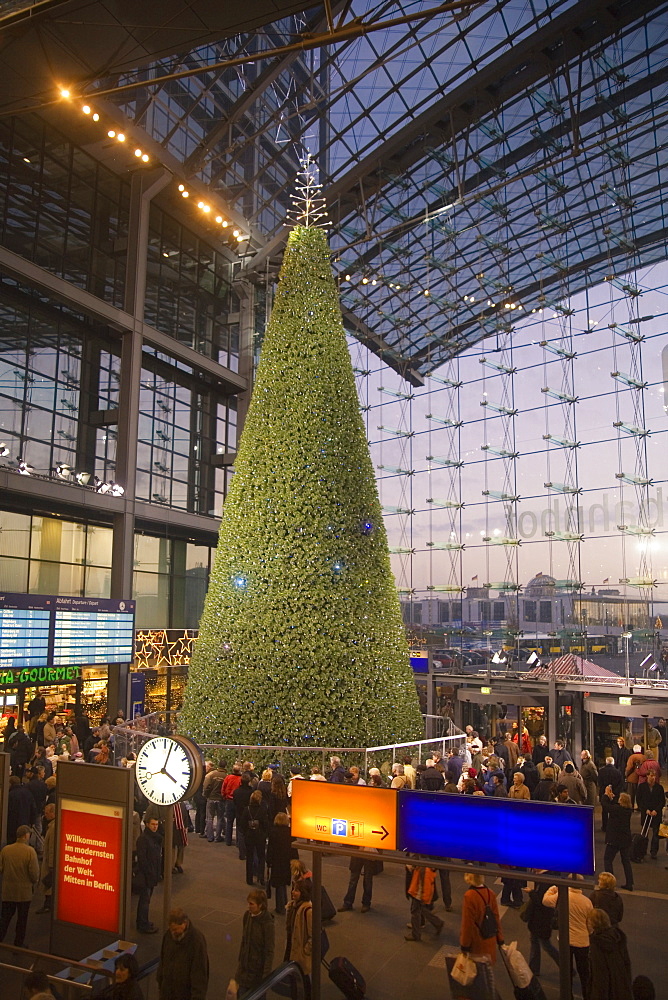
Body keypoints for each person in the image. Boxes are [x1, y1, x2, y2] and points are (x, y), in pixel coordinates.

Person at [543, 877, 592, 1000]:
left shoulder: (562, 896)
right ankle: (587, 995)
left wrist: (553, 888)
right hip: (582, 941)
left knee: (566, 971)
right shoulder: (587, 902)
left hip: (566, 940)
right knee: (584, 972)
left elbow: (545, 900)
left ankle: (567, 995)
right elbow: (590, 924)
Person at [0, 825, 40, 947]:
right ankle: (18, 944)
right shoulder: (30, 852)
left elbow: (1, 868)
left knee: (4, 919)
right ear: (26, 836)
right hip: (24, 893)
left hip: (8, 891)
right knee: (22, 920)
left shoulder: (6, 850)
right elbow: (34, 874)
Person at [157, 908, 209, 1000]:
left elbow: (199, 972)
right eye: (171, 929)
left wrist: (197, 996)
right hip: (167, 993)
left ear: (184, 924)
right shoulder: (168, 936)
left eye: (175, 929)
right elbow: (163, 960)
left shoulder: (197, 941)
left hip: (185, 994)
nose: (173, 932)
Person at [587, 907, 633, 1000]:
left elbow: (600, 975)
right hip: (621, 985)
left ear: (593, 924)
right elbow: (627, 963)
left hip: (609, 991)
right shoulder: (618, 937)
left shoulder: (597, 944)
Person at [235, 889, 275, 997]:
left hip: (257, 974)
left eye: (251, 904)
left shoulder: (267, 924)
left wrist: (266, 976)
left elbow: (269, 951)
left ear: (261, 905)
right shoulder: (247, 916)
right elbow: (244, 942)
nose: (248, 906)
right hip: (245, 970)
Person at [460, 872, 503, 964]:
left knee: (477, 973)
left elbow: (467, 924)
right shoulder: (490, 893)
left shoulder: (469, 896)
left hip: (477, 941)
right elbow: (496, 916)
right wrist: (500, 939)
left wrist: (465, 945)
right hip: (490, 938)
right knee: (488, 971)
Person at [284, 880, 313, 997]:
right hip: (292, 948)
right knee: (294, 981)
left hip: (300, 952)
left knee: (303, 981)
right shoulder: (293, 906)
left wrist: (305, 950)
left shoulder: (308, 910)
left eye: (296, 890)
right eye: (293, 889)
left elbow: (314, 936)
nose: (293, 892)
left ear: (303, 893)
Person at [526, 881, 559, 977]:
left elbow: (540, 901)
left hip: (540, 921)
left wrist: (531, 893)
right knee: (538, 943)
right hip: (540, 921)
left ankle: (566, 966)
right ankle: (533, 968)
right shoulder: (546, 881)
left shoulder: (544, 883)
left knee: (545, 945)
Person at [603, 790, 634, 890]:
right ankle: (630, 883)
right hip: (625, 839)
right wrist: (612, 798)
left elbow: (605, 805)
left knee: (608, 859)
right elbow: (613, 806)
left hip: (614, 839)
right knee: (626, 861)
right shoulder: (628, 811)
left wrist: (606, 795)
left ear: (622, 801)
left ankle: (610, 882)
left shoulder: (617, 809)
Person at [135, 816, 162, 933]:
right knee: (144, 900)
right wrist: (149, 873)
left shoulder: (154, 838)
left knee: (146, 900)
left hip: (151, 873)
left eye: (156, 824)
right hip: (146, 875)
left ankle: (143, 921)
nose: (155, 827)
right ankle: (142, 923)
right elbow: (143, 859)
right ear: (147, 824)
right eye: (153, 824)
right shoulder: (143, 839)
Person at [405, 863, 444, 941]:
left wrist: (424, 898)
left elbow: (424, 885)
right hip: (419, 893)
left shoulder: (424, 869)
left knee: (415, 912)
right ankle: (437, 923)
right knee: (422, 910)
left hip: (418, 894)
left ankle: (416, 935)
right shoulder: (426, 867)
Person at [240, 789, 269, 886]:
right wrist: (265, 834)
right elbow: (265, 824)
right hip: (260, 836)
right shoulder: (262, 810)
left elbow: (242, 824)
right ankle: (261, 878)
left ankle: (249, 879)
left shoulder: (246, 809)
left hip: (249, 835)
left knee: (250, 857)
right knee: (261, 856)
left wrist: (245, 833)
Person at [338, 849, 381, 913]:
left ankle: (365, 903)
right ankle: (348, 903)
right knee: (353, 880)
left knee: (367, 880)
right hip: (357, 850)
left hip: (369, 850)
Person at [636, 769, 665, 859]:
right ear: (647, 776)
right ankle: (642, 851)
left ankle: (653, 852)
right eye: (651, 775)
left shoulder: (659, 788)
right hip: (646, 813)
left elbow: (662, 801)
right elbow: (639, 800)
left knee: (656, 835)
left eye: (654, 776)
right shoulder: (641, 787)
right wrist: (645, 810)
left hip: (656, 814)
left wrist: (656, 810)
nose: (653, 778)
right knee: (644, 834)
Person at [267, 812, 292, 914]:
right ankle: (285, 903)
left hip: (277, 862)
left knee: (278, 885)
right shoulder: (290, 832)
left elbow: (270, 848)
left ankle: (280, 907)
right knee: (284, 883)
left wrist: (268, 861)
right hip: (286, 861)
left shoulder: (273, 832)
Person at [36, 803, 56, 914]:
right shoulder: (52, 826)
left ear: (53, 813)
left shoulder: (52, 829)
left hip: (49, 862)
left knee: (48, 885)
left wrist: (51, 864)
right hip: (49, 861)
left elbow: (52, 848)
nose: (45, 815)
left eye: (47, 813)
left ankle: (48, 905)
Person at [7, 775, 37, 844]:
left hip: (12, 824)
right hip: (25, 822)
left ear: (11, 784)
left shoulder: (10, 794)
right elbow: (33, 808)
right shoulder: (28, 793)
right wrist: (32, 821)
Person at [203, 759, 227, 842]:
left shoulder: (212, 775)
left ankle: (210, 837)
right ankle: (217, 837)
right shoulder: (226, 776)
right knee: (220, 818)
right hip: (220, 799)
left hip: (211, 798)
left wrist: (206, 795)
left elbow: (207, 786)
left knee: (210, 818)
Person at [598, 757, 624, 831]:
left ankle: (605, 826)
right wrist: (614, 792)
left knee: (604, 810)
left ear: (606, 763)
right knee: (614, 810)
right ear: (613, 763)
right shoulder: (618, 772)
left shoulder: (601, 771)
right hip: (615, 794)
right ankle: (613, 826)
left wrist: (606, 790)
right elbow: (621, 784)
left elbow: (599, 783)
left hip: (604, 794)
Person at [233, 773, 254, 861]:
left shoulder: (236, 792)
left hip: (239, 814)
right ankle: (249, 852)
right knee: (249, 834)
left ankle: (242, 854)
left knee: (240, 834)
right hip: (249, 815)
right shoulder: (251, 792)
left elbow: (235, 802)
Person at [223, 765, 243, 846]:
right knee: (238, 822)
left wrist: (224, 796)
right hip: (238, 802)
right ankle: (238, 842)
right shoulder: (240, 779)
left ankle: (228, 841)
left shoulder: (228, 777)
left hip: (229, 800)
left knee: (229, 821)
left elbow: (223, 788)